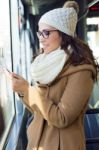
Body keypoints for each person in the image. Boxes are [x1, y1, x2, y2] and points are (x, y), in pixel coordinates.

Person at [5, 1, 99, 150]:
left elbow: (62, 118)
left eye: (46, 33)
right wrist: (22, 90)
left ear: (63, 33)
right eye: (39, 32)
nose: (41, 38)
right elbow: (39, 109)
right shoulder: (45, 63)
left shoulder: (81, 70)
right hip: (37, 143)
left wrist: (28, 90)